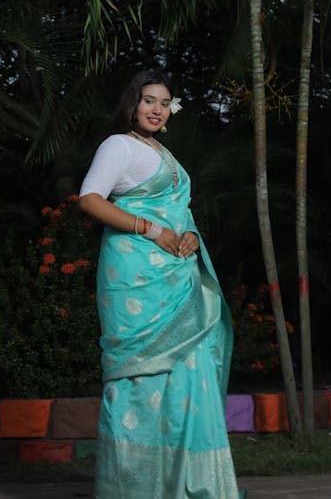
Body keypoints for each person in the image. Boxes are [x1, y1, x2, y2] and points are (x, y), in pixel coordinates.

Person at [79, 69, 243, 499]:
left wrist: (192, 234)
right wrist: (151, 230)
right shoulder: (118, 145)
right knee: (141, 380)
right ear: (132, 104)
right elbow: (90, 198)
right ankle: (134, 488)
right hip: (136, 280)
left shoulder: (161, 151)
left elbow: (180, 212)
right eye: (149, 100)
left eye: (164, 102)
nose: (157, 109)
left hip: (176, 274)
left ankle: (190, 485)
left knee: (190, 374)